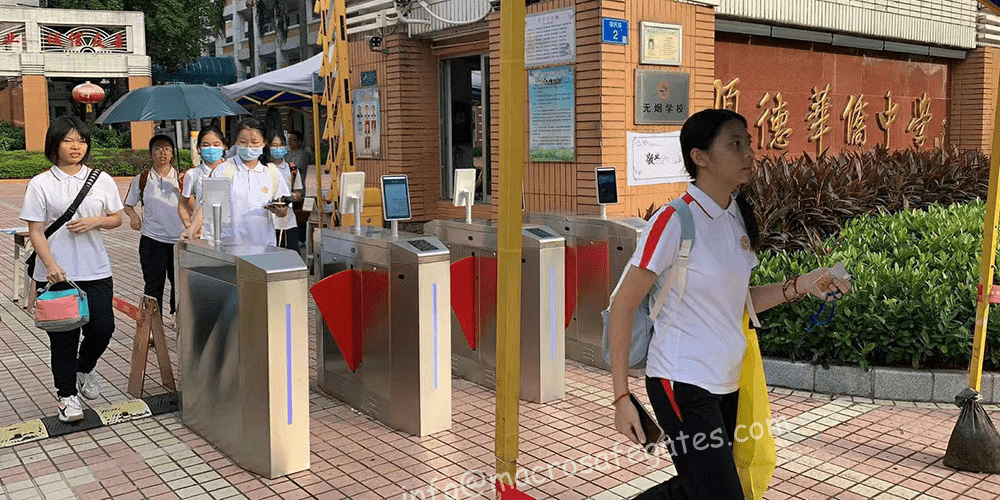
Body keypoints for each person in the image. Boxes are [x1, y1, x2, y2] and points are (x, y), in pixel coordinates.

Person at [608, 109, 852, 499]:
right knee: (720, 492)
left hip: (728, 380)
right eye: (734, 144)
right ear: (699, 157)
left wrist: (804, 285)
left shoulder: (737, 216)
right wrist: (621, 397)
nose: (748, 154)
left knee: (699, 488)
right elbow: (623, 306)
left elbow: (737, 301)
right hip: (681, 380)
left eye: (749, 144)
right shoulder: (674, 221)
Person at [20, 116, 124, 422]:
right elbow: (35, 230)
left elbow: (117, 217)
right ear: (54, 144)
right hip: (57, 276)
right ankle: (67, 397)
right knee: (64, 338)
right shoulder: (41, 184)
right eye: (68, 140)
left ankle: (84, 367)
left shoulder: (100, 179)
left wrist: (96, 221)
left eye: (81, 140)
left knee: (103, 328)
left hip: (96, 269)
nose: (75, 146)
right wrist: (50, 265)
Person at [180, 118, 290, 246]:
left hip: (263, 244)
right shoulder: (223, 170)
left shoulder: (271, 172)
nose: (249, 147)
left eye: (254, 142)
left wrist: (281, 211)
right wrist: (191, 229)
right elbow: (208, 206)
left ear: (264, 143)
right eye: (243, 142)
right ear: (236, 142)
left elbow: (282, 208)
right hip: (230, 245)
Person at [123, 134, 185, 319]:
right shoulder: (142, 179)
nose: (162, 153)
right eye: (158, 148)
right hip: (152, 240)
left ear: (172, 153)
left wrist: (182, 187)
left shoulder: (182, 178)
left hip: (179, 240)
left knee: (179, 283)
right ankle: (151, 324)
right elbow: (128, 205)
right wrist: (133, 217)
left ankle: (177, 316)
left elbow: (195, 205)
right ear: (151, 153)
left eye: (167, 148)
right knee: (153, 285)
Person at [178, 126, 230, 237]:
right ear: (198, 148)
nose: (211, 148)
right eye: (206, 145)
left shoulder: (233, 171)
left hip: (230, 234)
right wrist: (190, 227)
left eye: (216, 145)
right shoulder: (193, 174)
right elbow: (182, 204)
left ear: (224, 146)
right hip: (204, 235)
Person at [264, 130, 304, 251]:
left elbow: (298, 192)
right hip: (270, 219)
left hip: (289, 219)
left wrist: (291, 197)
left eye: (281, 145)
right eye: (274, 146)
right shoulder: (263, 169)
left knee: (292, 251)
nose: (278, 148)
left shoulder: (292, 169)